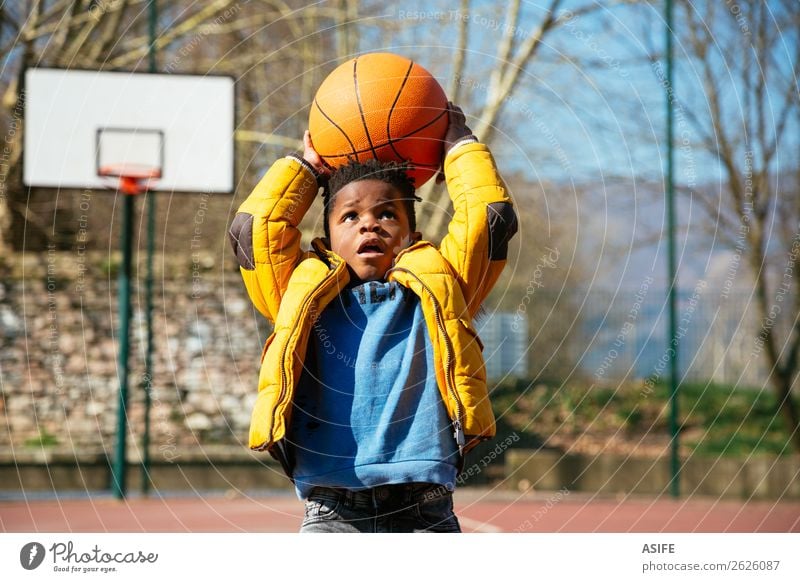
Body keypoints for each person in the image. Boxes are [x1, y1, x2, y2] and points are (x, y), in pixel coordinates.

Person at [228, 104, 517, 532]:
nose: (370, 225)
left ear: (411, 236)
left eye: (387, 214)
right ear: (326, 238)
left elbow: (488, 220)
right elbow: (253, 231)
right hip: (332, 510)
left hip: (425, 506)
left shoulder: (441, 286)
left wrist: (460, 149)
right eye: (350, 216)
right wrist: (305, 170)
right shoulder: (300, 293)